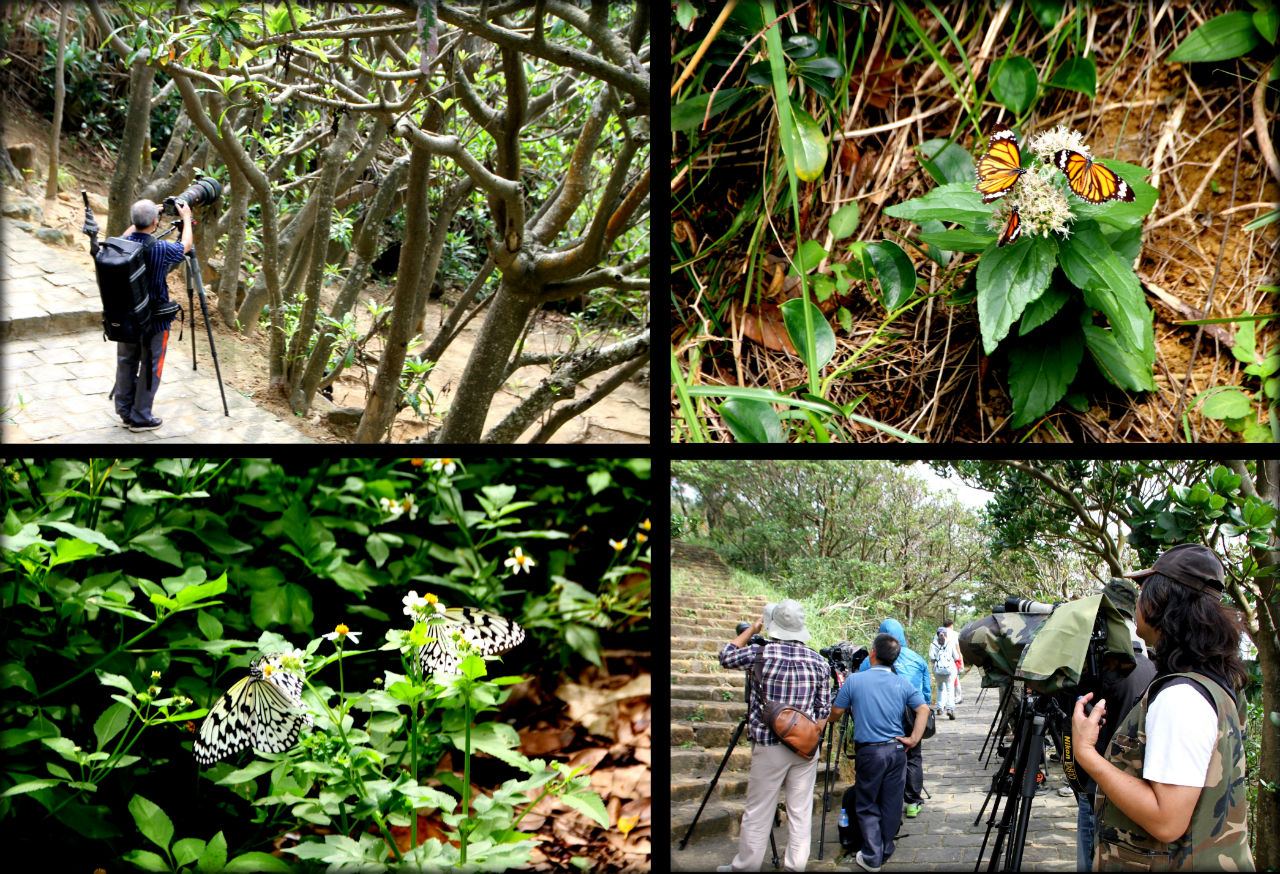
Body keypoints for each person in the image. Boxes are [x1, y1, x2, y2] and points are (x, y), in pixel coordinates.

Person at [1072, 543, 1254, 871]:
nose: (1137, 603)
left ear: (1160, 602)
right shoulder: (1211, 683)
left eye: (1143, 592)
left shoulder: (1180, 697)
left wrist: (1086, 754)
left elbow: (1166, 821)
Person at [717, 600, 831, 872]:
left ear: (773, 625)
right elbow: (824, 710)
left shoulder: (759, 654)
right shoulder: (818, 661)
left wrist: (752, 629)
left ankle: (746, 867)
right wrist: (811, 737)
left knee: (758, 809)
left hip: (768, 744)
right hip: (805, 747)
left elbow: (726, 655)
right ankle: (795, 866)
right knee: (800, 811)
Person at [1065, 577, 1157, 870]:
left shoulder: (1102, 668)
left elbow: (1074, 732)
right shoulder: (1152, 665)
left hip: (1098, 788)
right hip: (1133, 788)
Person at [828, 633, 929, 872]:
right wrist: (913, 739)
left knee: (866, 803)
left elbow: (836, 713)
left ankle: (872, 857)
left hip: (871, 751)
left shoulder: (854, 681)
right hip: (896, 750)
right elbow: (923, 708)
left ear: (872, 652)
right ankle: (885, 848)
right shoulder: (902, 683)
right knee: (892, 803)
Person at [113, 198, 191, 431]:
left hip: (127, 319)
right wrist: (186, 219)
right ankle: (141, 417)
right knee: (151, 364)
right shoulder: (160, 249)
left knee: (126, 361)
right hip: (155, 321)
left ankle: (125, 411)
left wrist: (143, 215)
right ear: (156, 222)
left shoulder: (121, 245)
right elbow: (185, 246)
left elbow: (124, 235)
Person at [856, 619, 930, 819]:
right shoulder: (917, 659)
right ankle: (913, 801)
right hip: (912, 718)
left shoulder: (869, 660)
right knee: (913, 758)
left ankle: (884, 802)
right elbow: (926, 693)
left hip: (881, 720)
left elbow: (862, 686)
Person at [928, 627, 956, 718]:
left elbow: (932, 658)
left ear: (937, 634)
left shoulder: (933, 644)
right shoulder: (950, 643)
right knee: (950, 689)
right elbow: (956, 656)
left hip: (938, 670)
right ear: (946, 634)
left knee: (940, 688)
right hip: (949, 670)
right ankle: (950, 709)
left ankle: (939, 708)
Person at [943, 618, 963, 704]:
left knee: (943, 679)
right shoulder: (955, 634)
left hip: (942, 659)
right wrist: (961, 661)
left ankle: (944, 700)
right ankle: (957, 698)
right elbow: (958, 649)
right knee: (955, 678)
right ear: (952, 625)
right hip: (953, 659)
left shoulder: (938, 634)